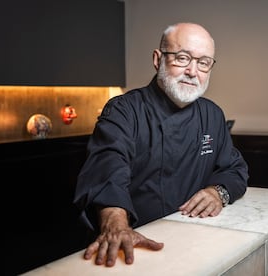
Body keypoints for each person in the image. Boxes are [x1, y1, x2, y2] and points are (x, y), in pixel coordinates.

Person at [73, 22, 249, 267]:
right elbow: (107, 170)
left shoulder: (212, 115)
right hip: (134, 245)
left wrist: (217, 192)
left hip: (193, 241)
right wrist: (116, 225)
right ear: (158, 59)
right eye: (182, 58)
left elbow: (234, 169)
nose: (192, 71)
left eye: (203, 62)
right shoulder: (123, 111)